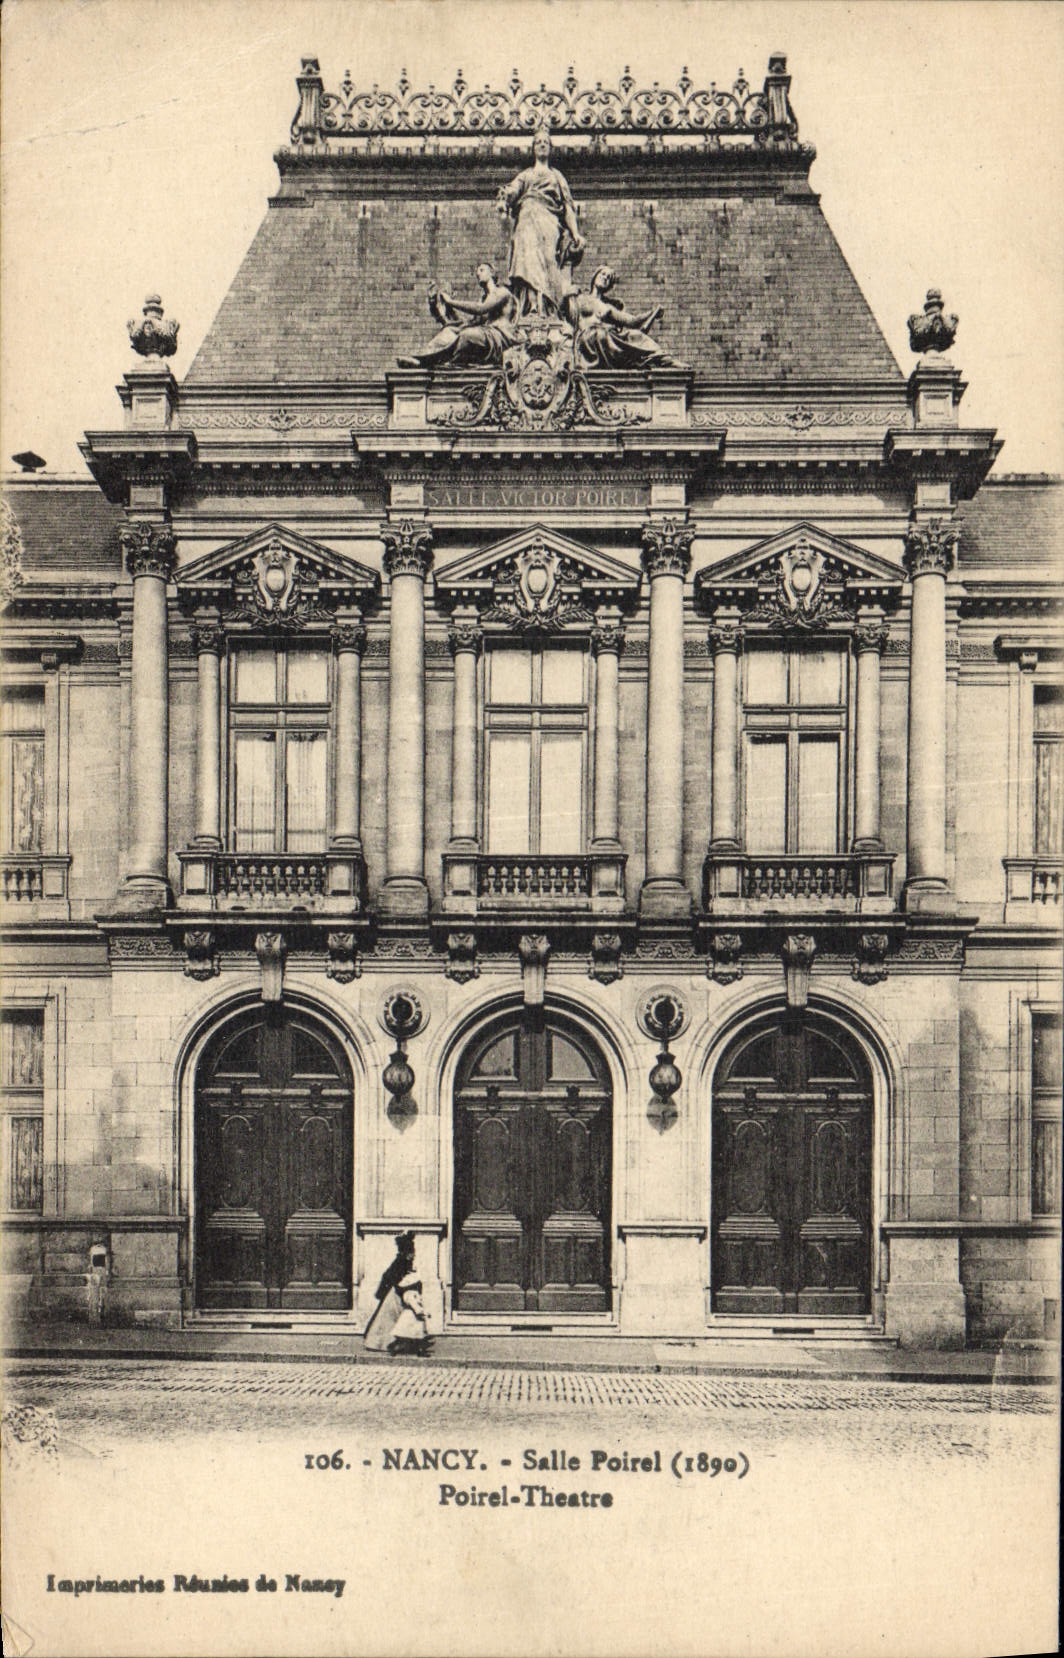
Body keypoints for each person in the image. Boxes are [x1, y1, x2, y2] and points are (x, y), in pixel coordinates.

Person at [496, 127, 585, 318]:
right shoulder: (526, 175)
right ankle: (531, 308)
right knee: (527, 259)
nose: (542, 144)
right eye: (538, 142)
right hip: (526, 221)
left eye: (546, 142)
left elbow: (568, 206)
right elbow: (513, 190)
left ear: (550, 148)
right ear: (533, 148)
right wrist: (506, 196)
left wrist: (575, 233)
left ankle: (547, 307)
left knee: (547, 259)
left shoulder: (556, 176)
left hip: (549, 222)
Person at [397, 263, 517, 370]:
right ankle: (421, 359)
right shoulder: (483, 298)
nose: (478, 274)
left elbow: (480, 309)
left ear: (492, 272)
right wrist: (438, 307)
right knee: (449, 331)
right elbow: (466, 324)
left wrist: (450, 302)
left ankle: (426, 362)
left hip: (499, 337)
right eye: (477, 272)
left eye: (481, 270)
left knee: (467, 335)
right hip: (486, 335)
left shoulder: (502, 292)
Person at [566, 266, 676, 370]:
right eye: (603, 274)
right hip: (588, 338)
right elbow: (564, 313)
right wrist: (567, 296)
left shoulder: (608, 307)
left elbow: (632, 321)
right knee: (600, 334)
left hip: (605, 338)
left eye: (608, 278)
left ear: (609, 285)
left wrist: (652, 312)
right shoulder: (581, 298)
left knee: (636, 335)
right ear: (595, 277)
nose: (605, 278)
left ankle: (665, 359)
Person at [363, 1231, 416, 1353]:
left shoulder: (403, 1261)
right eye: (412, 1252)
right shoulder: (400, 1262)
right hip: (394, 1293)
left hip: (395, 1291)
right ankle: (382, 1343)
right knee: (389, 1318)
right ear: (407, 1253)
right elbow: (390, 1277)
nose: (413, 1255)